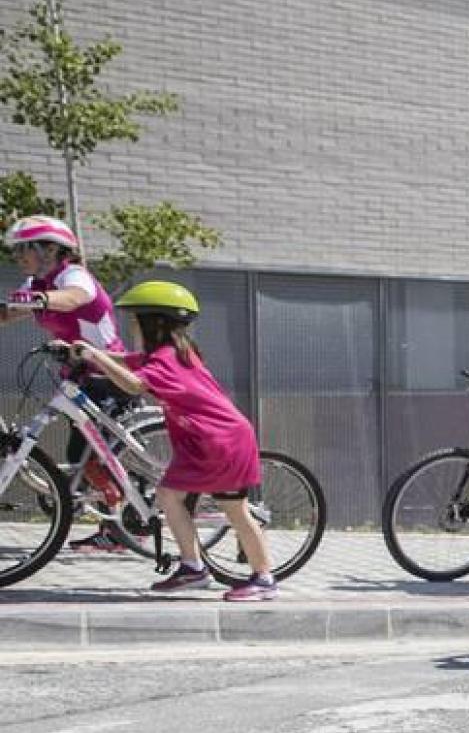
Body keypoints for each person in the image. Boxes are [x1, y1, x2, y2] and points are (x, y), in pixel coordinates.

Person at [54, 281, 279, 600]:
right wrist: (89, 354)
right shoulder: (169, 353)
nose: (132, 328)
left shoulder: (165, 360)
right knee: (169, 496)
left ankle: (264, 579)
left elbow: (133, 384)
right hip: (203, 439)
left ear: (153, 323)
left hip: (220, 440)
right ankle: (193, 568)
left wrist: (94, 356)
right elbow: (128, 361)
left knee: (235, 510)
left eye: (135, 321)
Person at [3, 215, 133, 554]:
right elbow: (7, 313)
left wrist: (38, 299)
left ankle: (123, 525)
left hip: (108, 374)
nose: (19, 258)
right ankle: (114, 521)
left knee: (95, 456)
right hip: (78, 375)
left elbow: (74, 297)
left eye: (23, 250)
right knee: (81, 455)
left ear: (49, 249)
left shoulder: (71, 276)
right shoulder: (38, 283)